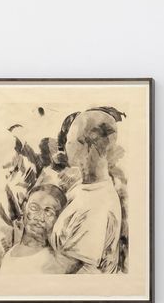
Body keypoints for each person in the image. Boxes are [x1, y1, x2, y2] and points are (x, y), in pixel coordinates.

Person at [50, 107, 128, 274]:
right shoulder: (85, 185)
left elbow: (68, 272)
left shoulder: (96, 206)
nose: (65, 146)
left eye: (70, 141)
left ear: (88, 147)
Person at [0, 183, 67, 273]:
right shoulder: (9, 255)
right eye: (34, 208)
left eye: (49, 212)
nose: (39, 218)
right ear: (24, 207)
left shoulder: (51, 263)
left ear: (58, 219)